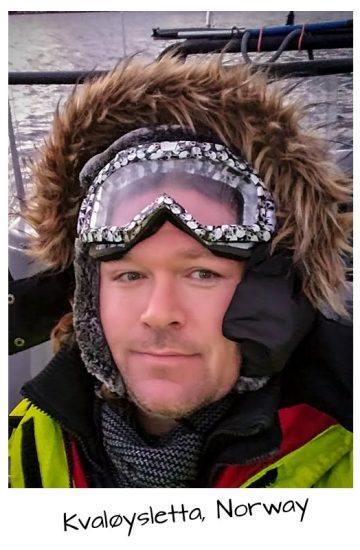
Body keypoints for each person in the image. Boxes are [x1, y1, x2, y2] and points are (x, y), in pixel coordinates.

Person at [8, 55, 353, 488]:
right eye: (129, 275)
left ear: (272, 289)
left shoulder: (342, 449)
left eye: (202, 274)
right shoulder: (29, 440)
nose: (158, 313)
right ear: (90, 299)